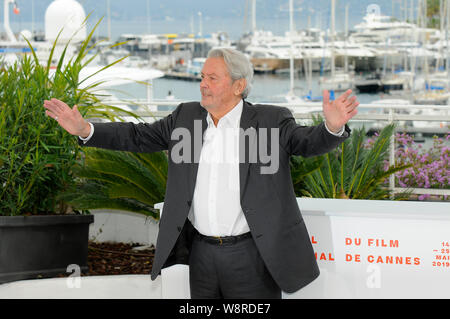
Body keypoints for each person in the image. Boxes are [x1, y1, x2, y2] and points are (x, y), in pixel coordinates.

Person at [43, 48, 358, 299]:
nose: (203, 84)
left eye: (213, 77)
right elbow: (138, 136)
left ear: (238, 86)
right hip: (202, 254)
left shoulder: (270, 121)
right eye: (202, 76)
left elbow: (306, 142)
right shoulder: (186, 117)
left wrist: (332, 127)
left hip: (252, 256)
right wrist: (86, 129)